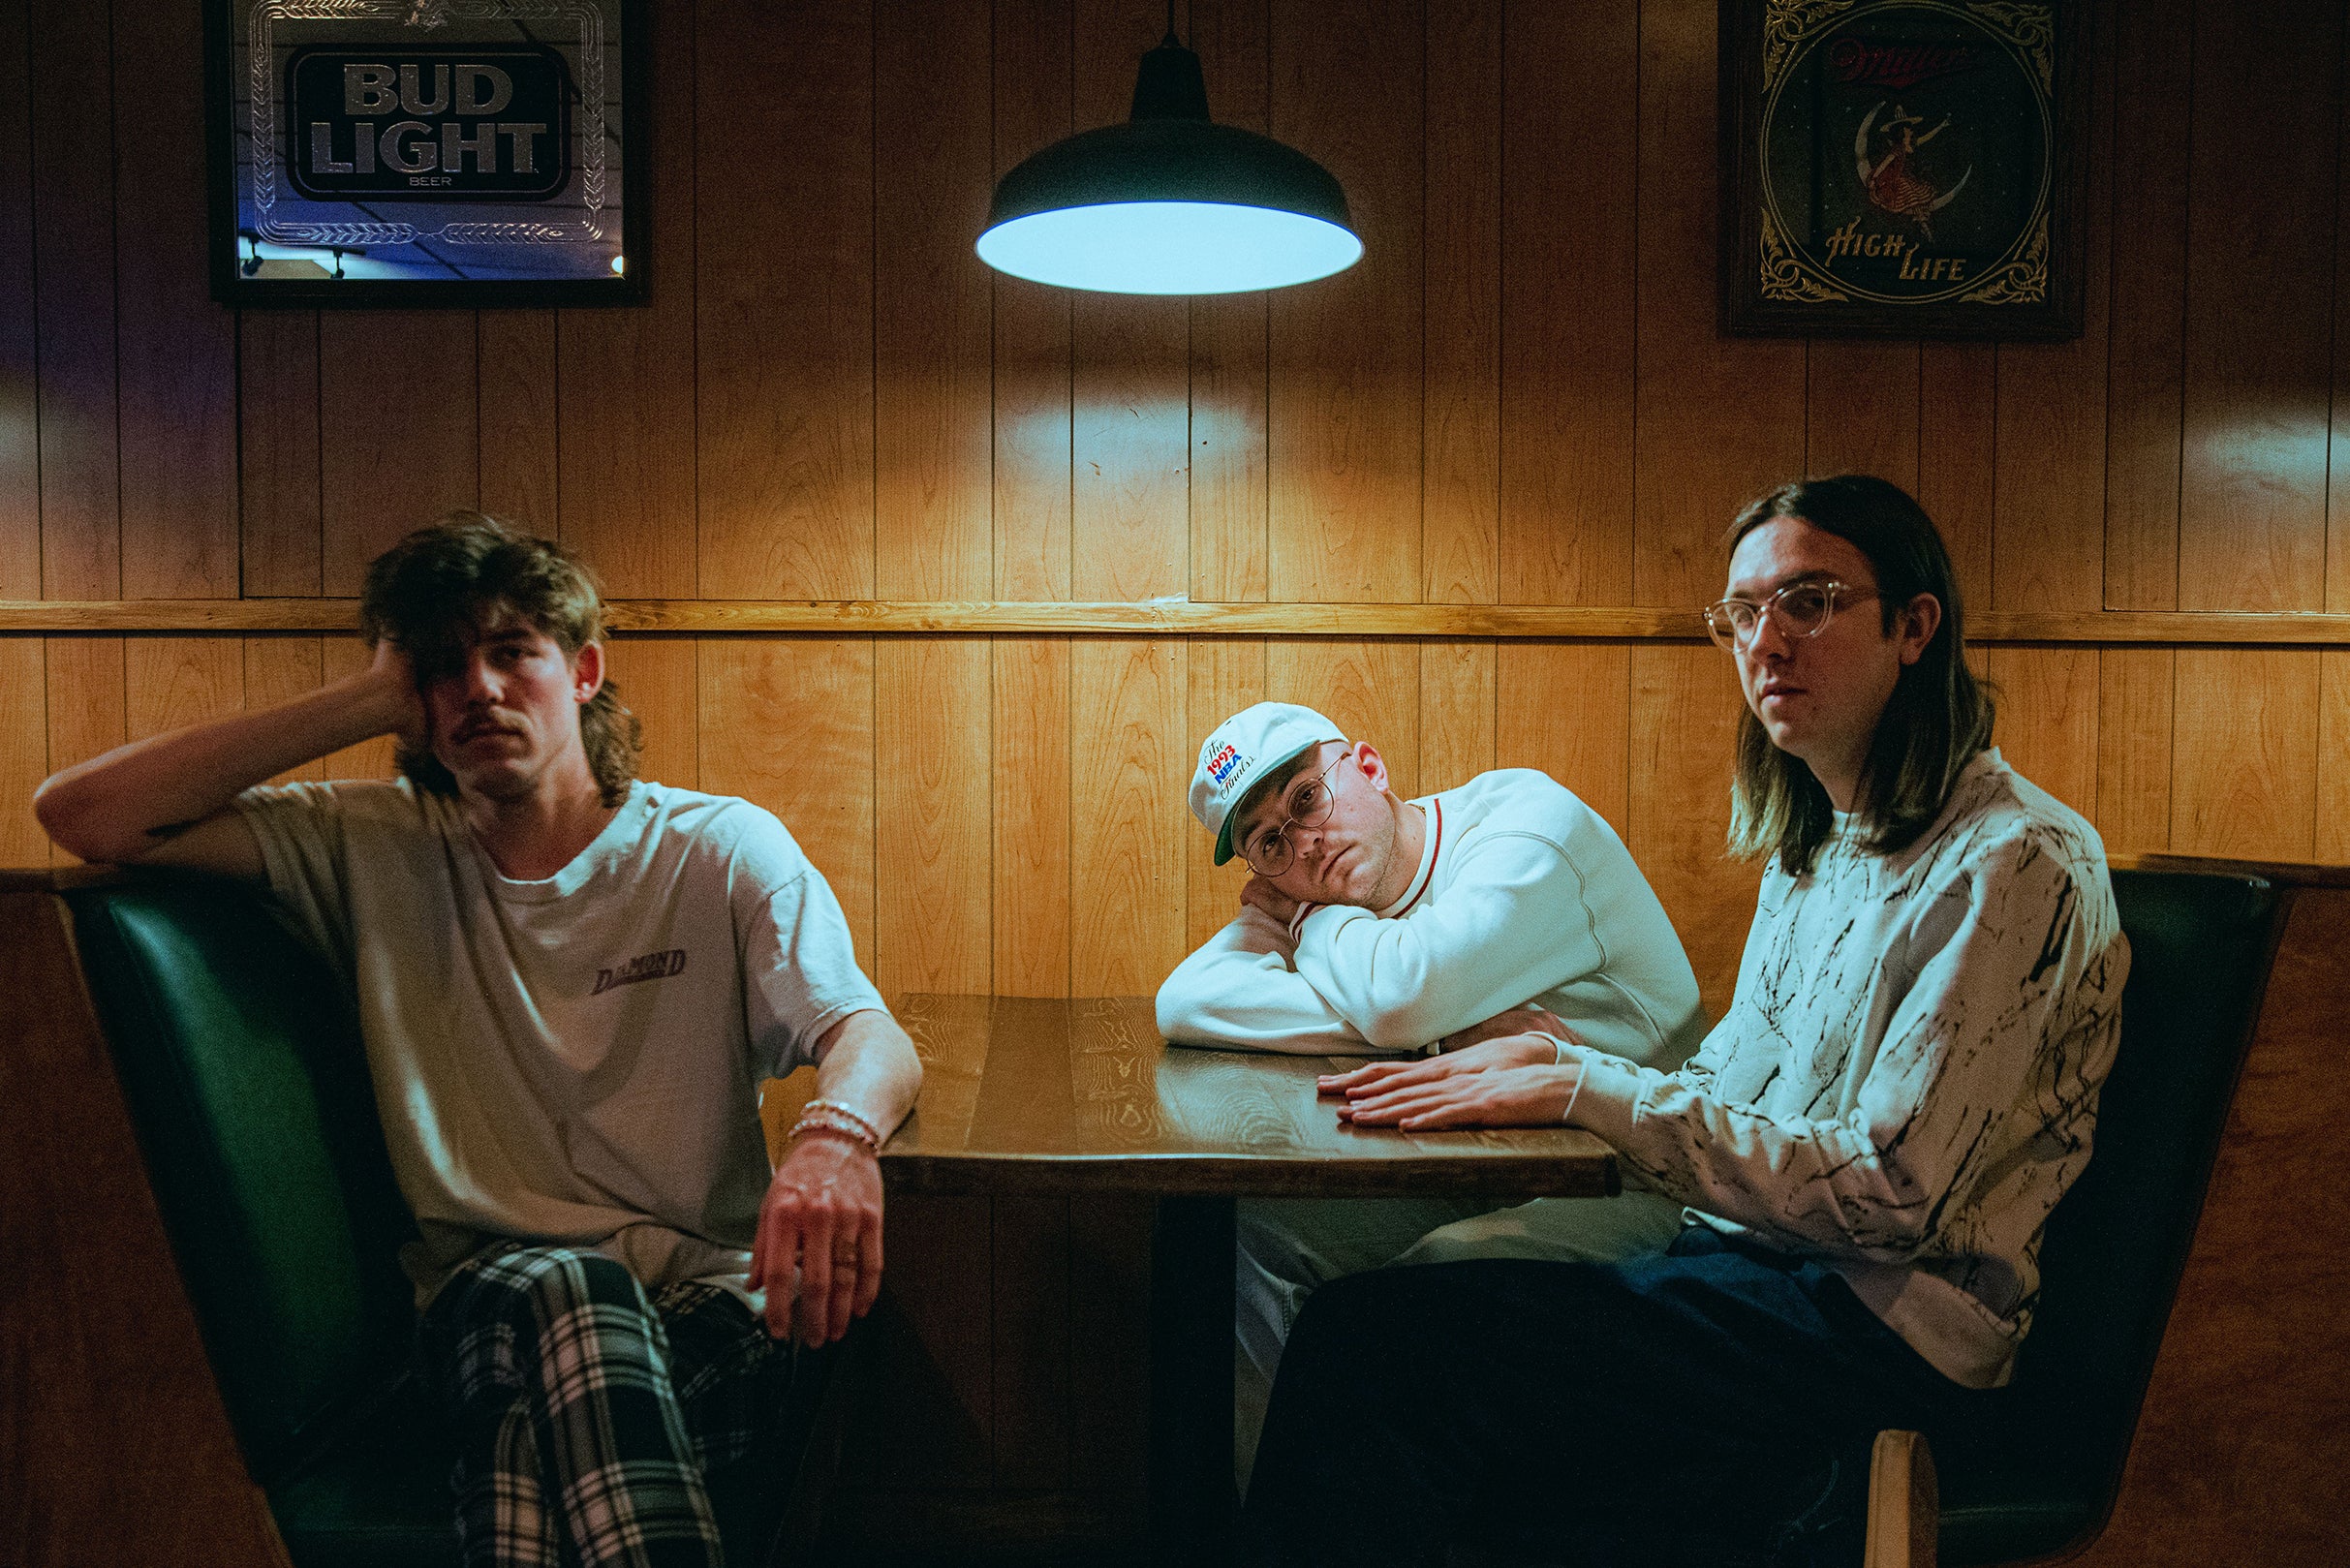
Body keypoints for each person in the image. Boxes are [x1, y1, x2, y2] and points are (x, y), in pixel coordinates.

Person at [1241, 475, 2130, 1567]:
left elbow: (1893, 1196)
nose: (1767, 642)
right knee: (1398, 1331)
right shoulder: (1818, 844)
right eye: (1743, 613)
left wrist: (1587, 1089)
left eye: (1808, 602)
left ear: (1913, 627)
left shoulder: (2012, 858)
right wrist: (1562, 1058)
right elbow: (1735, 1082)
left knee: (1377, 1343)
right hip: (1765, 1264)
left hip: (1886, 1329)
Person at [34, 512, 922, 1568]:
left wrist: (833, 1137)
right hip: (481, 1301)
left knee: (524, 1449)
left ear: (583, 671)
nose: (480, 688)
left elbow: (865, 1031)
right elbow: (87, 814)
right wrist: (369, 696)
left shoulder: (715, 846)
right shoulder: (367, 841)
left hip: (708, 1306)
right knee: (567, 1288)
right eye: (443, 666)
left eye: (510, 651)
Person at [1156, 700, 1707, 1488]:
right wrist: (1441, 1041)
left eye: (1307, 797)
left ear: (1369, 767)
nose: (1305, 843)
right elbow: (1188, 1000)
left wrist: (1311, 918)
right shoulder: (1339, 894)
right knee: (1251, 1235)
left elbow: (1401, 993)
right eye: (1270, 842)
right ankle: (1275, 1517)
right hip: (1485, 1162)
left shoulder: (1525, 828)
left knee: (1423, 1283)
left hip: (1641, 1173)